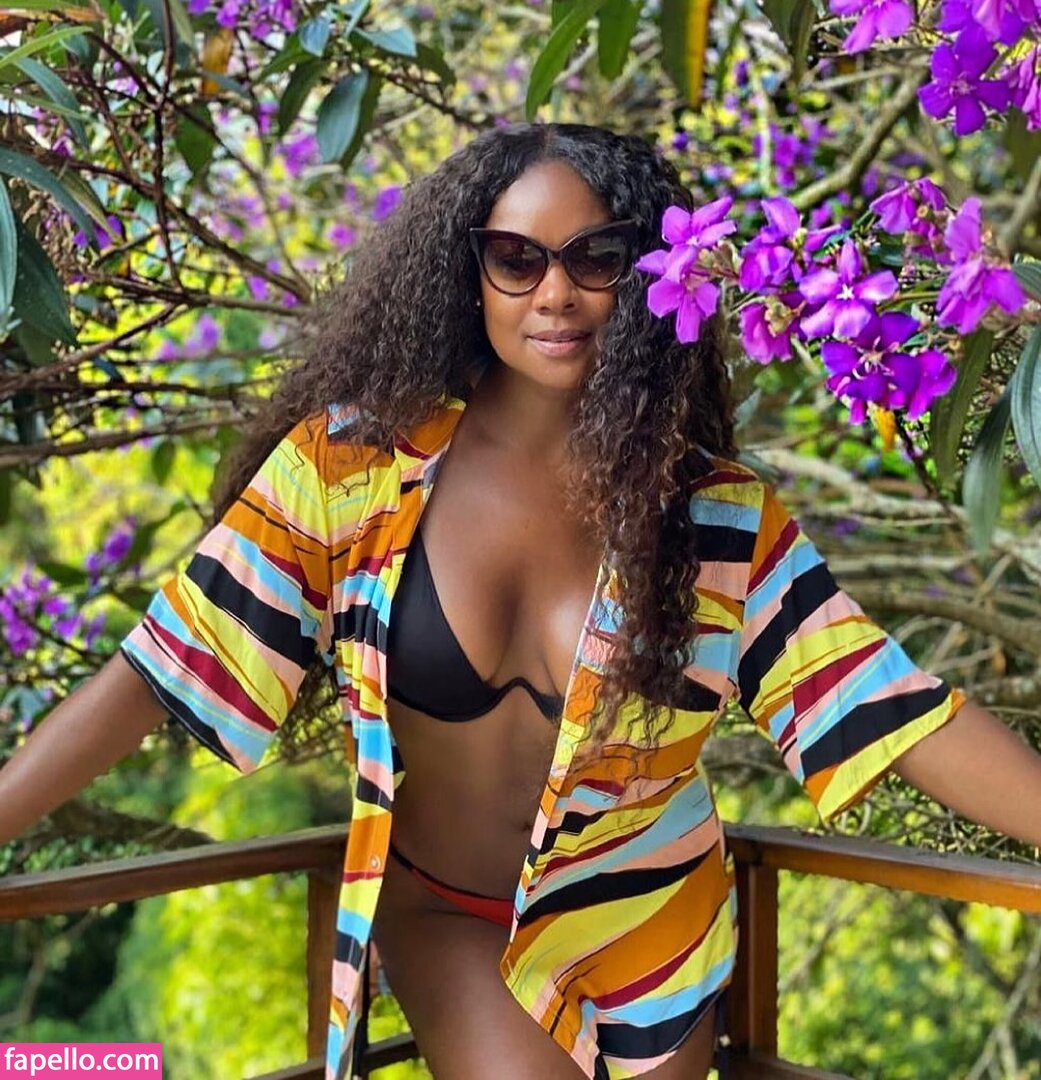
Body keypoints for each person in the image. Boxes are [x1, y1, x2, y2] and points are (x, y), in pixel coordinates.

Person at [2, 122, 1040, 1080]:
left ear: (646, 274)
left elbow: (886, 708)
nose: (556, 294)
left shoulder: (716, 520)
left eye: (596, 258)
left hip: (650, 919)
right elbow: (161, 666)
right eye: (516, 258)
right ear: (472, 275)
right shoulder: (350, 469)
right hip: (448, 913)